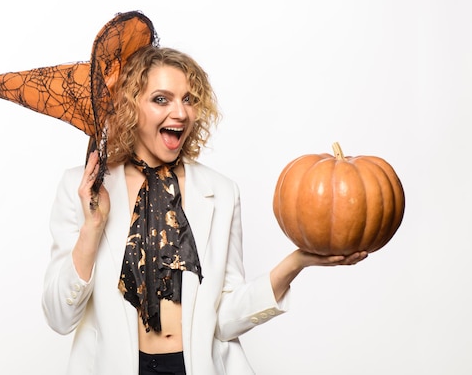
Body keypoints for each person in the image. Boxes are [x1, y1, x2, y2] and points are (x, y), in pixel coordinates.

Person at [41, 45, 367, 374]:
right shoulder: (83, 188)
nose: (180, 113)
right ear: (129, 106)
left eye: (189, 99)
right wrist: (93, 227)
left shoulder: (221, 193)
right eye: (161, 99)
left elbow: (224, 320)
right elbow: (59, 317)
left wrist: (298, 261)